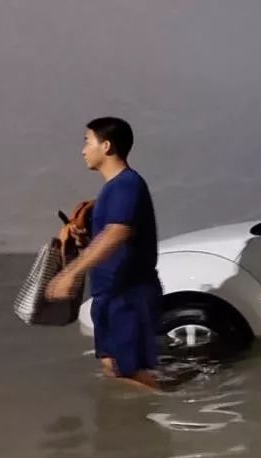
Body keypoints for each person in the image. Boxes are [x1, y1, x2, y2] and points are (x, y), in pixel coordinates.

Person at [46, 117, 162, 391]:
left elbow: (117, 233)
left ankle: (167, 418)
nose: (83, 150)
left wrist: (70, 273)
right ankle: (129, 429)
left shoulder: (127, 184)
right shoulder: (111, 189)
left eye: (87, 142)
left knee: (129, 371)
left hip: (129, 294)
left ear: (106, 146)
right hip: (109, 293)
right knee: (113, 367)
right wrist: (85, 238)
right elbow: (110, 237)